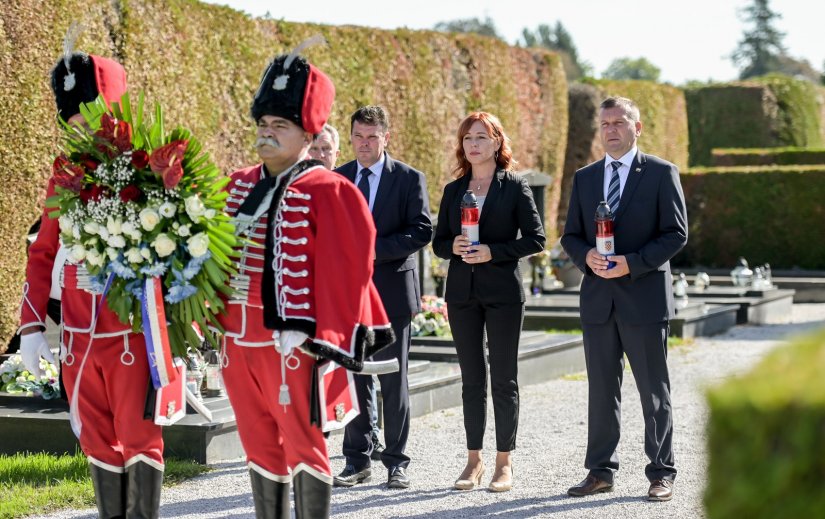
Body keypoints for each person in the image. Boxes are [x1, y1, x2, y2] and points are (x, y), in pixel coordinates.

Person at [217, 47, 394, 519]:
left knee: (303, 443)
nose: (267, 133)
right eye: (263, 124)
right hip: (237, 341)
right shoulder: (236, 185)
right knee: (256, 443)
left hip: (291, 343)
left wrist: (320, 335)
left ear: (308, 134)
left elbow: (349, 270)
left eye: (280, 126)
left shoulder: (330, 189)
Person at [18, 47, 166, 517]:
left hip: (131, 335)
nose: (78, 127)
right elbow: (42, 251)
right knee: (97, 442)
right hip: (80, 339)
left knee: (141, 439)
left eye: (86, 115)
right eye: (72, 119)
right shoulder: (64, 170)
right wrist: (31, 326)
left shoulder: (147, 163)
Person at [560, 96, 687, 502]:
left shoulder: (661, 173)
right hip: (598, 299)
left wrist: (631, 263)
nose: (611, 130)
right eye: (605, 124)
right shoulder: (585, 177)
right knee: (601, 390)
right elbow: (571, 235)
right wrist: (587, 258)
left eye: (619, 122)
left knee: (653, 390)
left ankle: (661, 472)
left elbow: (675, 233)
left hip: (644, 299)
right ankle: (599, 472)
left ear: (638, 127)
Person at [432, 111, 545, 492]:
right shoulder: (453, 190)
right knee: (471, 379)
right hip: (462, 294)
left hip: (503, 296)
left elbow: (536, 238)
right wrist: (454, 247)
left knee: (504, 378)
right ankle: (473, 461)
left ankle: (503, 463)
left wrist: (492, 252)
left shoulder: (514, 186)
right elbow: (438, 242)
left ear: (497, 142)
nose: (474, 144)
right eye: (467, 138)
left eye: (481, 136)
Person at [334, 105, 432, 489]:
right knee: (355, 376)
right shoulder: (339, 178)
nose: (363, 144)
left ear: (385, 137)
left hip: (391, 293)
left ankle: (396, 463)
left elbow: (420, 230)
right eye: (358, 136)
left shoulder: (409, 179)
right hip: (348, 296)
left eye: (371, 137)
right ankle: (357, 461)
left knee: (394, 378)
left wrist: (373, 249)